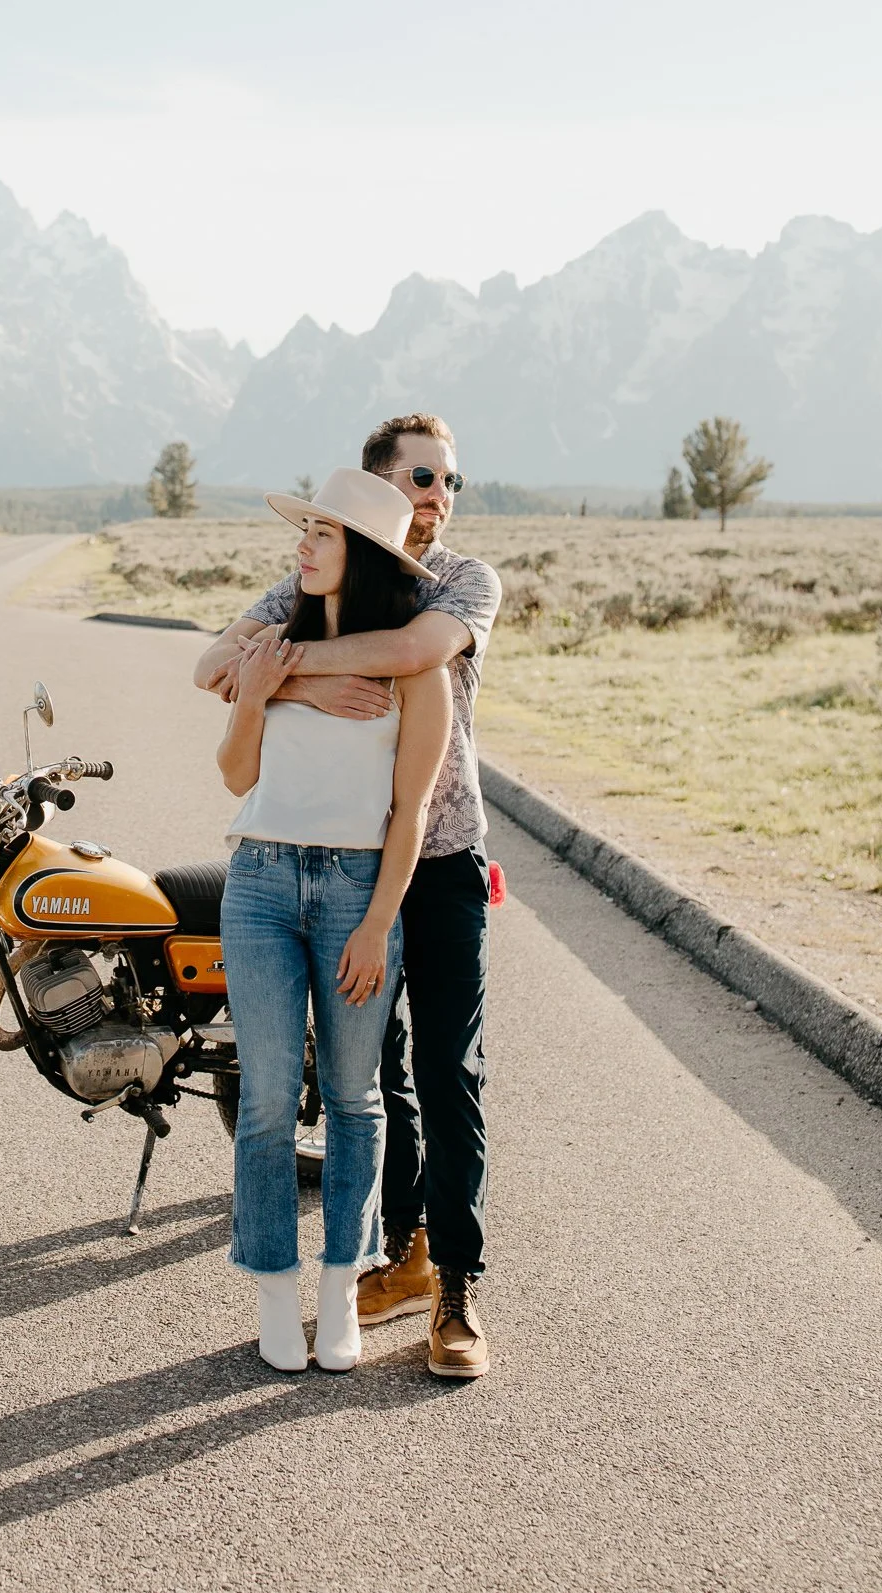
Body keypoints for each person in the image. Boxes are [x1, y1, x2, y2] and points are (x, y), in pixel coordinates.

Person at [196, 414, 501, 1379]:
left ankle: (455, 1284)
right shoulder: (312, 578)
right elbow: (210, 669)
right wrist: (292, 687)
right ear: (375, 489)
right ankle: (392, 1254)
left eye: (450, 479)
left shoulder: (462, 581)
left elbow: (416, 654)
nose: (438, 494)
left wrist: (284, 667)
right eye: (419, 476)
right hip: (335, 860)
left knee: (446, 1073)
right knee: (379, 1080)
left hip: (437, 856)